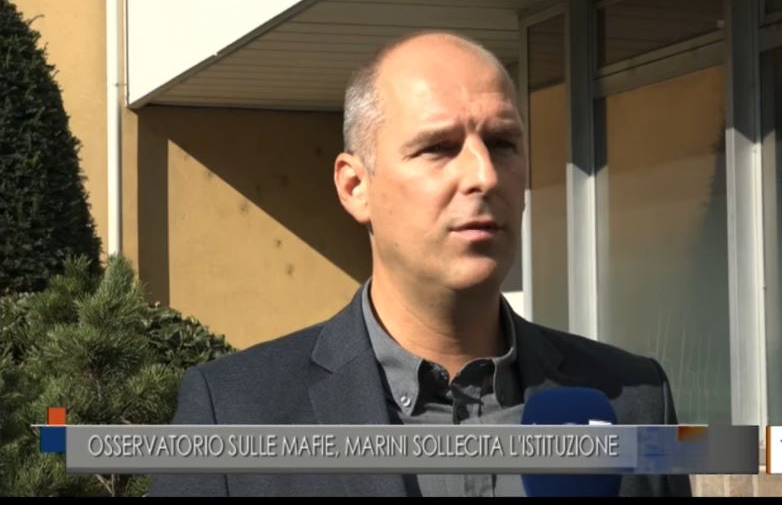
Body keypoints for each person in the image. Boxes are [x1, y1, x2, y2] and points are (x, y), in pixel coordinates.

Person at [148, 30, 691, 497]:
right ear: (355, 187)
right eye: (438, 147)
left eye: (502, 143)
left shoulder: (633, 398)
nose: (483, 175)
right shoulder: (233, 412)